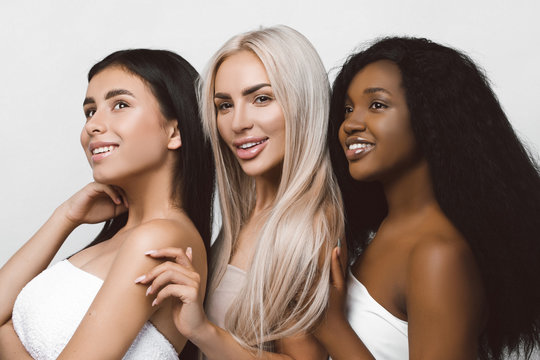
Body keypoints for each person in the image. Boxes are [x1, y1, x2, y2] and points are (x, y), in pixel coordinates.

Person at [314, 37, 540, 360]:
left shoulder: (438, 255)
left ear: (430, 118)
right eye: (348, 108)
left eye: (377, 105)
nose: (350, 123)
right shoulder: (385, 230)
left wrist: (332, 328)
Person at [135, 25, 344, 359]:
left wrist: (202, 331)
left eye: (261, 98)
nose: (238, 123)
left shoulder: (311, 225)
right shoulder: (248, 216)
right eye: (224, 105)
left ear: (303, 105)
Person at [0, 49, 215, 359]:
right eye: (90, 111)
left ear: (175, 131)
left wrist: (5, 333)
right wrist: (65, 217)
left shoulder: (160, 240)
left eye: (120, 105)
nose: (93, 126)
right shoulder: (123, 239)